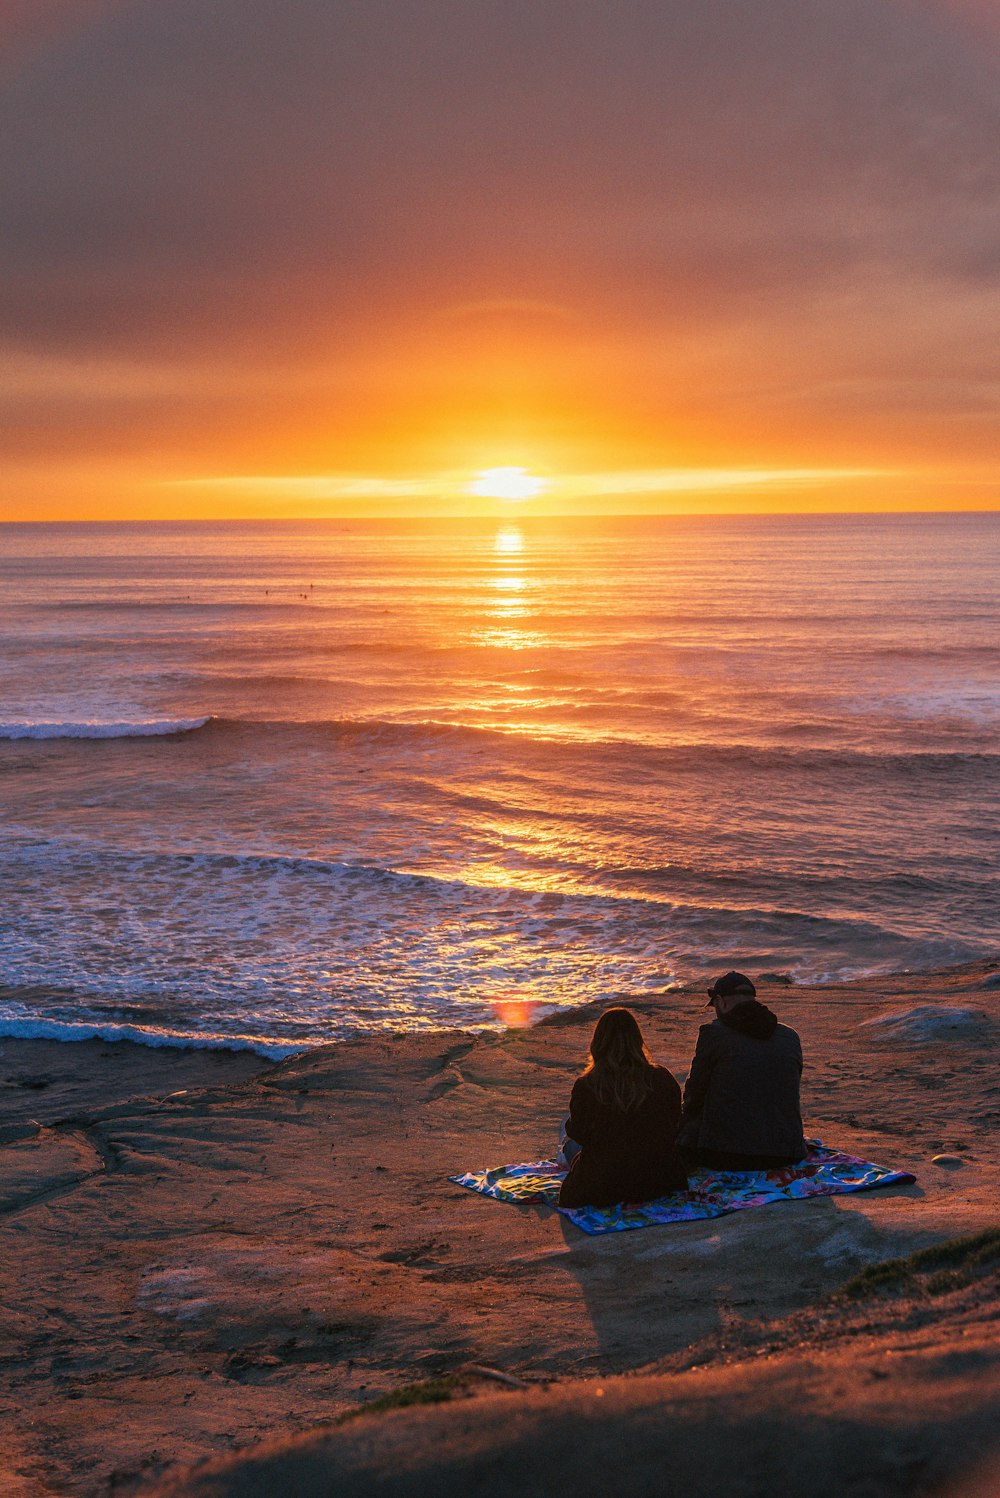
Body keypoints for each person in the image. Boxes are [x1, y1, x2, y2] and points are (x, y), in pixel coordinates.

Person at [558, 1007, 688, 1208]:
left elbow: (580, 1134)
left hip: (606, 1184)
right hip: (659, 1179)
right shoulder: (662, 1077)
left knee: (568, 1138)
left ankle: (563, 1154)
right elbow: (675, 1123)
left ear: (598, 1043)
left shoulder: (588, 1085)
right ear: (637, 1041)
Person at [678, 970, 805, 1170]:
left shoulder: (713, 1035)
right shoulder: (790, 1036)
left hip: (726, 1155)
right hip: (787, 1151)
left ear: (721, 1001)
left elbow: (695, 1094)